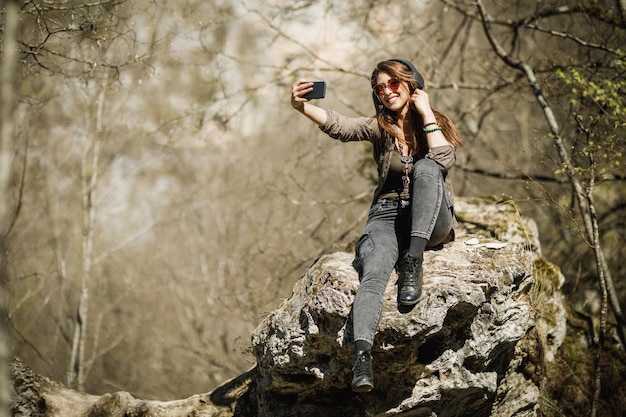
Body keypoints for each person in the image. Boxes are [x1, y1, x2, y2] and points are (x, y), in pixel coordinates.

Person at [290, 59, 462, 393]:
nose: (386, 92)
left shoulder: (435, 122)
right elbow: (342, 126)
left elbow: (444, 159)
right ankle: (362, 358)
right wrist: (302, 107)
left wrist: (425, 112)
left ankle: (413, 260)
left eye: (393, 84)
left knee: (427, 168)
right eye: (379, 88)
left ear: (411, 84)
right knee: (374, 271)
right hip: (387, 214)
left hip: (430, 220)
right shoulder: (380, 127)